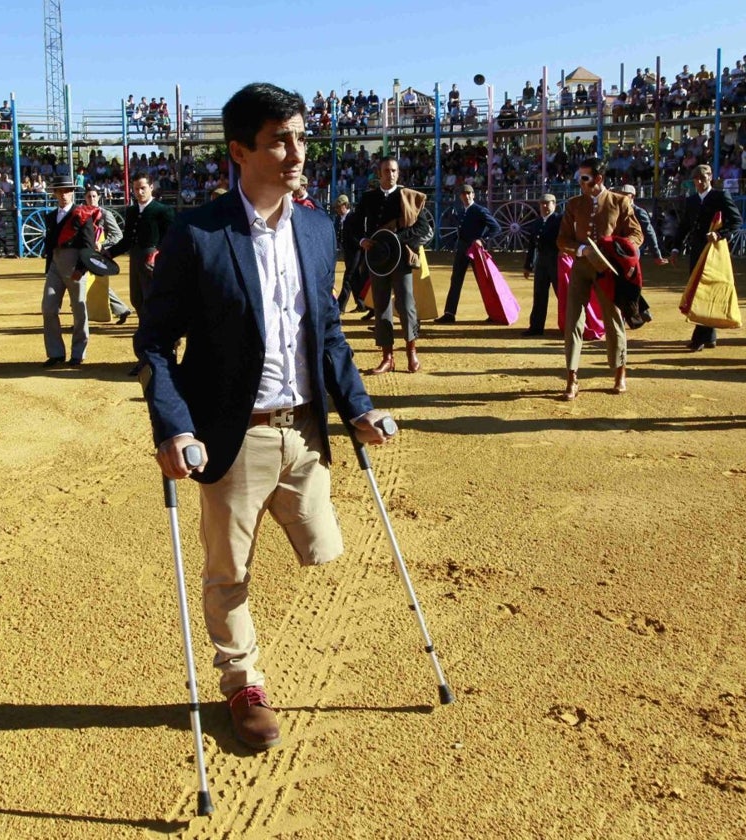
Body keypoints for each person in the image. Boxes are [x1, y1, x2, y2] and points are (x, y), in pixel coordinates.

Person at [135, 82, 393, 752]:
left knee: (323, 549)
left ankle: (246, 653)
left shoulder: (316, 228)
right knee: (229, 572)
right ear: (240, 150)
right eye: (280, 139)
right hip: (232, 431)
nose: (296, 151)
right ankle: (243, 684)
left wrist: (358, 408)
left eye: (301, 137)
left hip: (305, 430)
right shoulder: (198, 234)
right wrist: (174, 426)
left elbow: (328, 331)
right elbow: (156, 342)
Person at [555, 156, 641, 400]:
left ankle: (619, 373)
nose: (580, 182)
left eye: (584, 178)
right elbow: (562, 239)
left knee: (613, 320)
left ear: (598, 179)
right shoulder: (574, 204)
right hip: (582, 266)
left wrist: (619, 250)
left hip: (608, 269)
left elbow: (636, 234)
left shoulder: (620, 202)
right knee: (573, 320)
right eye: (579, 177)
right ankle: (571, 378)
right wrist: (582, 250)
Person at [354, 157, 431, 373]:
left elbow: (423, 228)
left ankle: (411, 352)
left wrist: (397, 240)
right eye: (387, 171)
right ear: (379, 174)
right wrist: (362, 240)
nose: (391, 174)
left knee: (406, 304)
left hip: (400, 259)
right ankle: (387, 357)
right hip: (378, 260)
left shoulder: (409, 197)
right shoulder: (369, 198)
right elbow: (354, 225)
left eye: (394, 171)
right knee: (381, 306)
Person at [107, 172, 175, 373]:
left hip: (154, 262)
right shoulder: (131, 211)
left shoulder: (163, 210)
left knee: (155, 308)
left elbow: (172, 237)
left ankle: (163, 357)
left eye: (143, 187)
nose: (139, 192)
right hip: (136, 261)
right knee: (139, 303)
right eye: (136, 188)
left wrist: (159, 254)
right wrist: (110, 252)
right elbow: (127, 240)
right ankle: (146, 358)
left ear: (151, 187)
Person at [671, 164, 742, 351]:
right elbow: (684, 226)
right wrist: (676, 248)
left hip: (715, 250)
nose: (700, 182)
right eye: (697, 179)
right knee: (698, 288)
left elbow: (736, 221)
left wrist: (720, 234)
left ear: (710, 177)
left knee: (705, 289)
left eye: (703, 178)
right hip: (697, 250)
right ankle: (709, 336)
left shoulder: (720, 196)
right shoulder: (692, 200)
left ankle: (699, 337)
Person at [41, 177, 98, 366]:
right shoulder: (51, 217)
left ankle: (78, 353)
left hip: (75, 266)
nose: (64, 194)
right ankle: (56, 353)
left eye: (67, 191)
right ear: (55, 193)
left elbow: (88, 246)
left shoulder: (81, 214)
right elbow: (50, 245)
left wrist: (82, 269)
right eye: (60, 191)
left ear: (72, 192)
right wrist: (49, 266)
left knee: (79, 310)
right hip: (55, 266)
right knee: (48, 308)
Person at [437, 185, 501, 323]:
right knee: (456, 280)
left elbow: (496, 227)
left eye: (469, 193)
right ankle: (449, 313)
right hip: (462, 248)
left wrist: (482, 239)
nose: (466, 196)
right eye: (463, 194)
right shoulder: (461, 211)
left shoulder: (479, 210)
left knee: (483, 281)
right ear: (460, 196)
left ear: (473, 195)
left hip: (475, 249)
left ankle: (494, 313)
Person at [83, 185, 132, 325]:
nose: (91, 199)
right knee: (94, 284)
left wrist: (103, 244)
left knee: (89, 284)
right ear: (85, 198)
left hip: (99, 255)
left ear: (98, 197)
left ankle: (82, 318)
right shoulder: (82, 213)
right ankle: (121, 309)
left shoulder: (105, 214)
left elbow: (118, 235)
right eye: (89, 196)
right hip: (86, 253)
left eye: (94, 196)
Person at [521, 193, 561, 336]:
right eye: (542, 203)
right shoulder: (537, 222)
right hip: (542, 262)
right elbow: (532, 246)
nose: (544, 206)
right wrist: (528, 265)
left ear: (554, 204)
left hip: (557, 261)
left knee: (562, 295)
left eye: (547, 203)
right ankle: (536, 327)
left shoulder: (560, 220)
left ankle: (569, 326)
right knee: (539, 295)